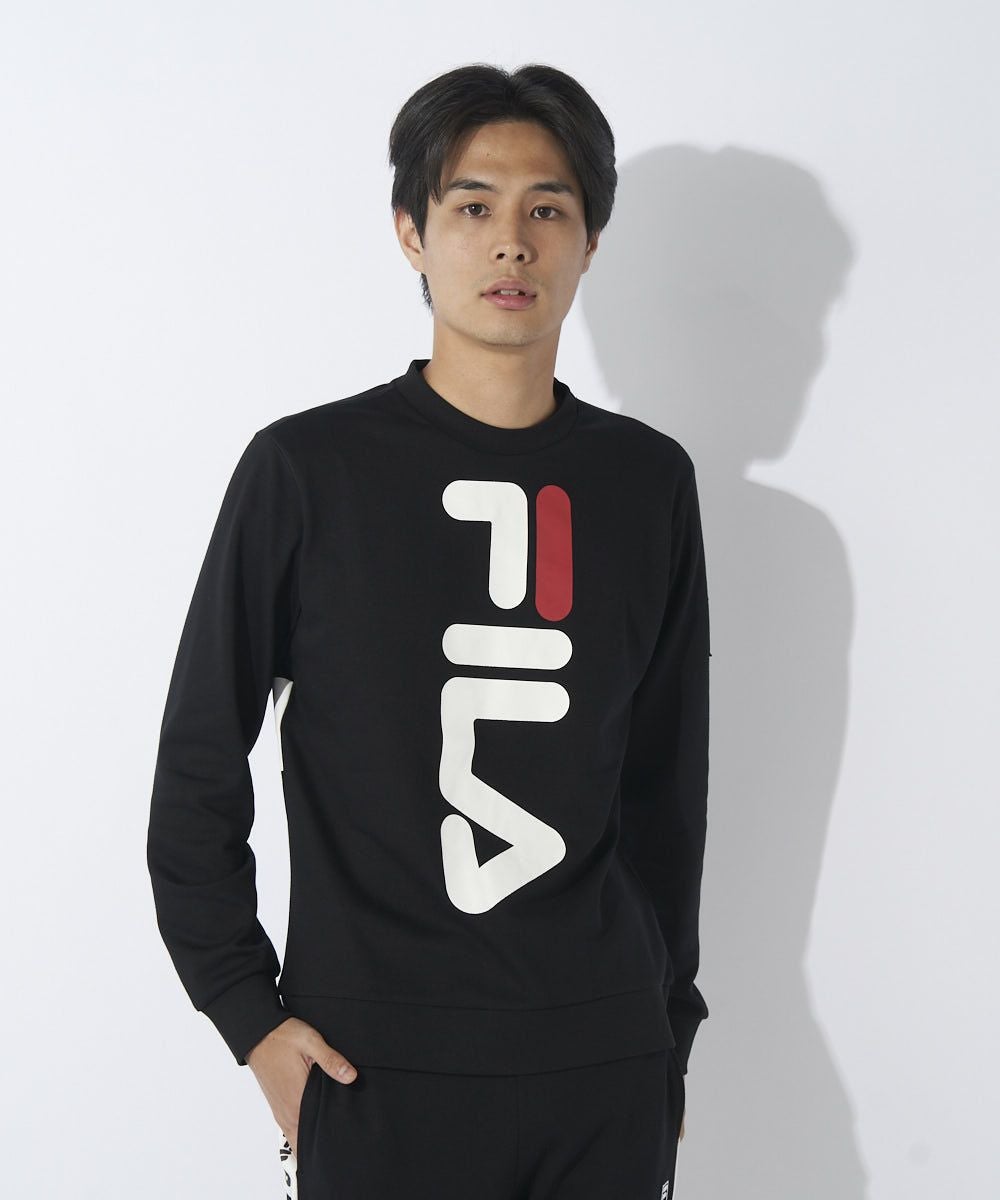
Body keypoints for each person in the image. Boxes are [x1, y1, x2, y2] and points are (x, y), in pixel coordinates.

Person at [147, 61, 711, 1200]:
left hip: (600, 1067)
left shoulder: (646, 482)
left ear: (589, 243)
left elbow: (667, 785)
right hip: (374, 1068)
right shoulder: (308, 470)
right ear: (411, 232)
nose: (511, 242)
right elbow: (200, 760)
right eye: (472, 206)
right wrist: (249, 1017)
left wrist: (667, 1031)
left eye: (546, 210)